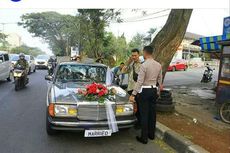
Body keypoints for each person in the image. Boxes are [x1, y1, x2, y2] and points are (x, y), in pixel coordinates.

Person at [129, 46, 162, 144]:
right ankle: (151, 135)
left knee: (144, 114)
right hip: (153, 91)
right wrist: (158, 91)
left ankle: (144, 138)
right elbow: (160, 80)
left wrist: (133, 94)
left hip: (144, 91)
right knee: (152, 114)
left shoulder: (144, 65)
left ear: (145, 53)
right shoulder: (158, 65)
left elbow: (140, 81)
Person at [121, 48, 141, 128]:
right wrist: (128, 62)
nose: (133, 57)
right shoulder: (131, 65)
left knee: (138, 108)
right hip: (130, 89)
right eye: (132, 56)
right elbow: (122, 71)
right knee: (131, 107)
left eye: (135, 55)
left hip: (137, 90)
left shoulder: (142, 65)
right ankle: (131, 123)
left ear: (138, 55)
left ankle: (138, 124)